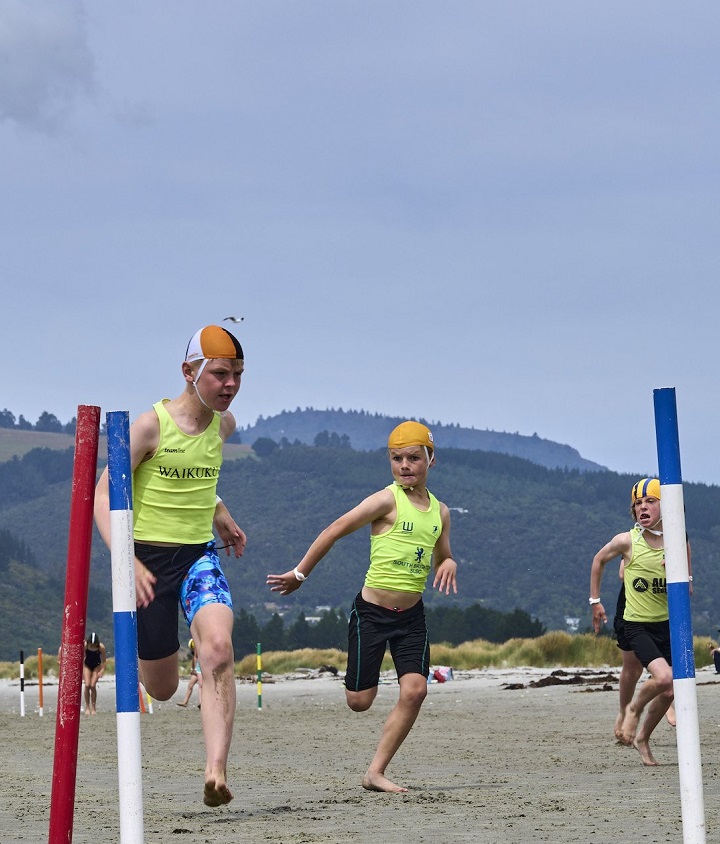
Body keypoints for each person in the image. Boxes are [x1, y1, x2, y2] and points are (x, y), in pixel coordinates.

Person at [93, 323, 250, 808]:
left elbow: (200, 479)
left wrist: (219, 512)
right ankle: (177, 656)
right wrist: (128, 560)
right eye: (221, 374)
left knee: (220, 647)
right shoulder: (148, 427)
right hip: (148, 562)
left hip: (199, 555)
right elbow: (102, 496)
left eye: (238, 375)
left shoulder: (224, 426)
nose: (230, 385)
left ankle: (216, 770)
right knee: (160, 688)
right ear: (189, 371)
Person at [268, 421, 456, 792]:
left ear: (431, 460)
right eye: (396, 458)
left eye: (414, 458)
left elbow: (442, 556)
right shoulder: (386, 500)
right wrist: (299, 574)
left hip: (412, 619)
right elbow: (335, 529)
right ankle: (361, 680)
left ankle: (375, 772)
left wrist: (448, 562)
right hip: (370, 614)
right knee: (359, 702)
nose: (405, 465)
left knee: (416, 691)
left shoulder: (441, 512)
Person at [585, 479, 682, 764]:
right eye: (638, 504)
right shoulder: (627, 540)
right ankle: (629, 710)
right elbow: (603, 563)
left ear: (667, 506)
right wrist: (595, 601)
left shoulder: (678, 539)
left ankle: (643, 736)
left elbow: (688, 584)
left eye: (649, 501)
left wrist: (678, 568)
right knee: (644, 671)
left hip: (665, 620)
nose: (643, 507)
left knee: (670, 687)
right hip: (634, 617)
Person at [82, 633, 105, 715]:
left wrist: (102, 670)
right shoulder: (85, 646)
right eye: (91, 644)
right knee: (87, 685)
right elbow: (81, 657)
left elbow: (104, 660)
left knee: (92, 685)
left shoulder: (100, 647)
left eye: (94, 644)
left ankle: (93, 707)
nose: (92, 645)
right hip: (87, 665)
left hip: (96, 665)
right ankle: (87, 707)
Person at [176, 637, 201, 708]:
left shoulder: (197, 645)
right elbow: (194, 659)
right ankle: (185, 702)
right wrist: (193, 669)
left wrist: (194, 669)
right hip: (198, 668)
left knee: (200, 686)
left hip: (200, 668)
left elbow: (195, 658)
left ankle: (201, 702)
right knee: (191, 685)